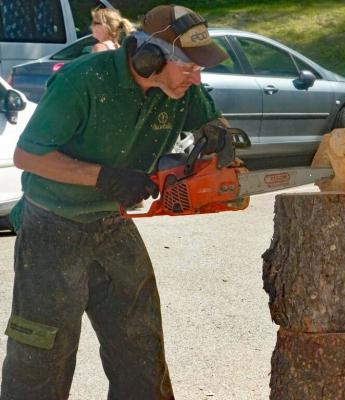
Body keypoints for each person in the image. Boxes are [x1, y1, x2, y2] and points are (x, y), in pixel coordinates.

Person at [1, 4, 232, 400]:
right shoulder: (83, 80)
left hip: (112, 221)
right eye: (189, 67)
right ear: (150, 58)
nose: (197, 78)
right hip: (51, 224)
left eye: (201, 69)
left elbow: (210, 119)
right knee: (42, 349)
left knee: (141, 344)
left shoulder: (179, 89)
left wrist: (219, 133)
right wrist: (104, 177)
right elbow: (28, 156)